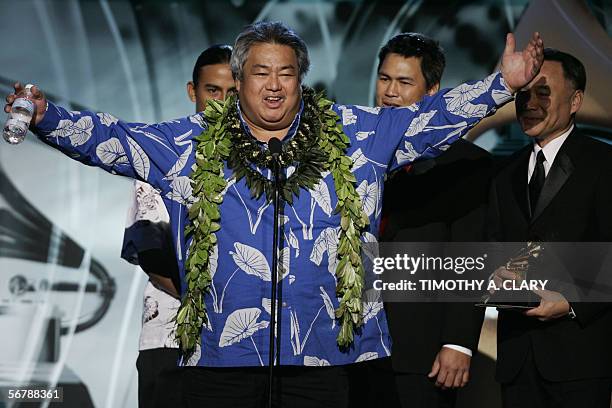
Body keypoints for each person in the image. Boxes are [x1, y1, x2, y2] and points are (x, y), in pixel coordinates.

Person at [5, 21, 543, 407]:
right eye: (260, 72)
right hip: (222, 357)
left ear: (299, 79)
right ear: (239, 80)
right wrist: (49, 118)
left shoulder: (356, 133)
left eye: (286, 73)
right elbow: (113, 140)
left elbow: (430, 120)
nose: (274, 84)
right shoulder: (190, 144)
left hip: (325, 358)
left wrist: (501, 85)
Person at [371, 33, 491, 408]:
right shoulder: (356, 153)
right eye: (385, 79)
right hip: (352, 348)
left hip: (422, 353)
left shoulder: (467, 165)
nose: (390, 92)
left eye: (404, 82)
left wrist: (457, 341)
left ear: (432, 90)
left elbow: (471, 259)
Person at [487, 48, 612, 408]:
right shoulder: (503, 172)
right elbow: (494, 248)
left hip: (579, 359)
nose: (530, 103)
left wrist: (571, 300)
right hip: (515, 360)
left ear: (576, 101)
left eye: (543, 93)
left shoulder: (604, 164)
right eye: (523, 94)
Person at [120, 44, 234, 408]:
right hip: (169, 341)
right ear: (192, 91)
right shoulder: (160, 154)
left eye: (231, 92)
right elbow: (153, 258)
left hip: (238, 353)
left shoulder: (260, 163)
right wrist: (212, 310)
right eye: (211, 91)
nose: (221, 102)